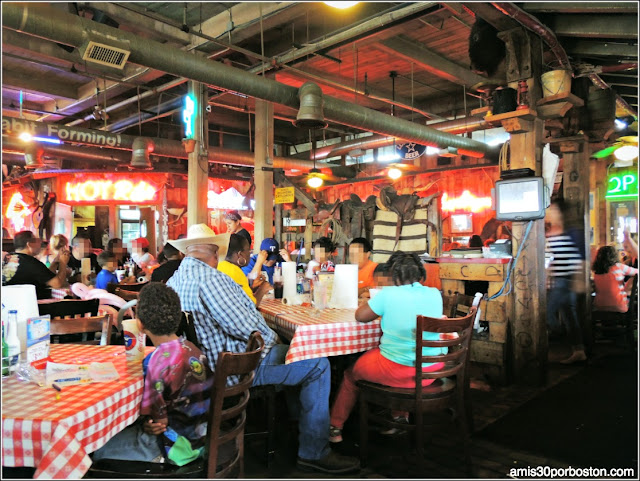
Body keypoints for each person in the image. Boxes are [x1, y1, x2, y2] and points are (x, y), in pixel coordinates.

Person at [166, 224, 360, 474]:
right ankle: (314, 451)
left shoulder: (176, 279)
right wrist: (275, 338)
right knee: (317, 364)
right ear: (213, 252)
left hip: (204, 370)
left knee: (297, 352)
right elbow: (251, 331)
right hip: (235, 370)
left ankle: (301, 425)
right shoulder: (212, 279)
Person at [328, 252, 445, 443]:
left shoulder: (389, 294)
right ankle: (399, 417)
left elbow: (360, 316)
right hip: (431, 370)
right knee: (399, 351)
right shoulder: (434, 293)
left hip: (399, 371)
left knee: (351, 374)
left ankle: (335, 427)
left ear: (393, 273)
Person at [92, 282, 214, 465]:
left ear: (139, 325)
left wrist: (149, 423)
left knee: (96, 450)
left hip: (173, 448)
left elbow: (156, 421)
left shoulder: (155, 363)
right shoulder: (193, 349)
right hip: (202, 438)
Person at [545, 199, 586, 364]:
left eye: (552, 210)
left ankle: (558, 336)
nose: (549, 212)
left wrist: (580, 280)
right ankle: (579, 350)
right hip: (556, 281)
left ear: (560, 213)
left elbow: (582, 258)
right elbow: (553, 257)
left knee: (547, 313)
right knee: (569, 316)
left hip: (566, 281)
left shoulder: (572, 232)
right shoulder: (550, 232)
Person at [2, 230, 70, 299]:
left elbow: (46, 278)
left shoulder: (8, 258)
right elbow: (57, 284)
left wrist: (55, 262)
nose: (40, 243)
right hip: (31, 305)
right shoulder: (30, 262)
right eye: (37, 240)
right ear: (29, 244)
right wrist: (63, 263)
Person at [217, 234, 270, 306]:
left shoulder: (220, 266)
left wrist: (252, 288)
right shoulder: (235, 271)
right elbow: (250, 306)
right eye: (248, 250)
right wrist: (263, 289)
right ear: (240, 254)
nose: (250, 253)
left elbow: (238, 296)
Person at [592, 245, 638, 313]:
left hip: (599, 306)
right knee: (633, 277)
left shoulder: (596, 271)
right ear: (614, 255)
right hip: (619, 306)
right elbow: (637, 272)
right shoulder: (619, 267)